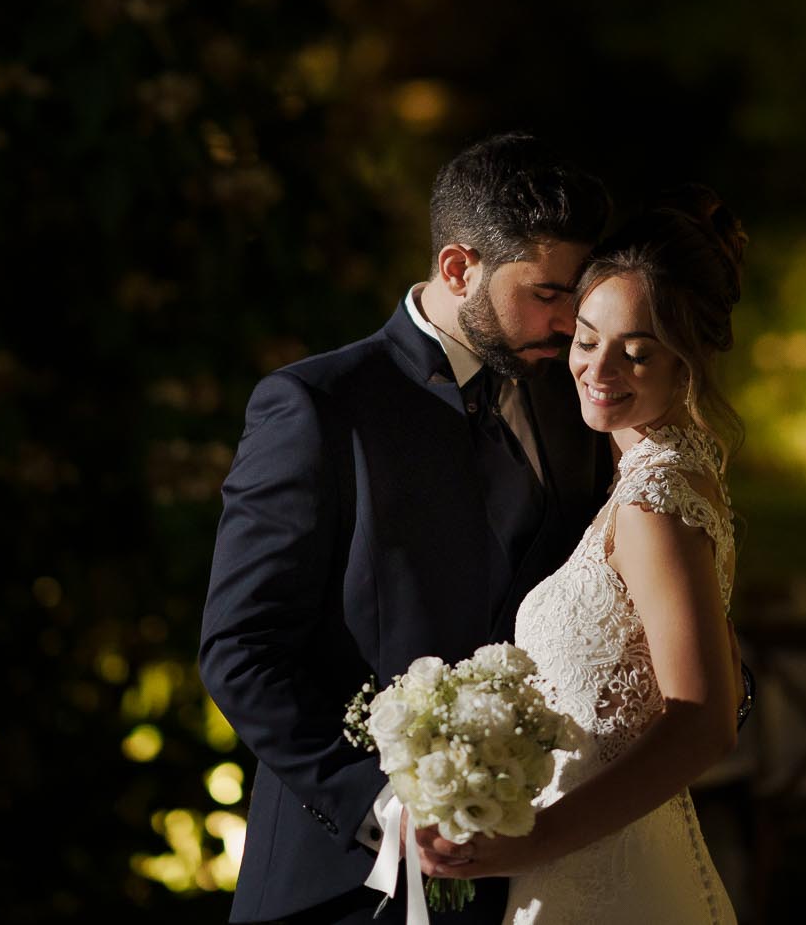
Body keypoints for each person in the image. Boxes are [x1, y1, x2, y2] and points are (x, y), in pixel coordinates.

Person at [199, 132, 614, 924]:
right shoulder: (319, 407)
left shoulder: (578, 399)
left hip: (531, 876)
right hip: (341, 887)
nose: (568, 323)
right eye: (547, 293)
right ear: (459, 266)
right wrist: (383, 807)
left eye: (577, 294)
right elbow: (240, 649)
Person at [420, 187, 748, 925]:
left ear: (685, 365)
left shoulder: (653, 501)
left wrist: (527, 840)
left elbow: (704, 721)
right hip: (600, 858)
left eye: (636, 353)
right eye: (587, 338)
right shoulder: (663, 470)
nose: (599, 369)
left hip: (609, 876)